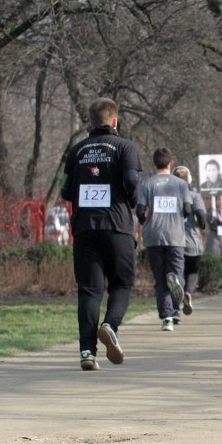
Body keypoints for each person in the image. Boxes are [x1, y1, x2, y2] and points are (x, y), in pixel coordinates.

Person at [60, 97, 142, 370]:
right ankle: (110, 325)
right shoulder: (125, 147)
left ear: (90, 122)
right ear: (114, 121)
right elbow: (131, 180)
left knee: (89, 291)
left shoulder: (76, 151)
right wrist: (132, 199)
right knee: (122, 284)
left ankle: (87, 352)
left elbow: (65, 190)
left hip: (84, 228)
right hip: (117, 226)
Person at [136, 147, 192, 331]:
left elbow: (140, 210)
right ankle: (177, 291)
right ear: (171, 163)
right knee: (177, 273)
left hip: (154, 235)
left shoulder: (146, 184)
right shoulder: (181, 185)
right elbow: (188, 210)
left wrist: (145, 220)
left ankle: (168, 316)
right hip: (175, 235)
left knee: (160, 279)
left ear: (154, 163)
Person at [173, 165, 207, 315]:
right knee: (193, 271)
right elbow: (200, 214)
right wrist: (202, 225)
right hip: (192, 240)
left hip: (173, 238)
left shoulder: (169, 196)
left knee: (176, 272)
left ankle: (174, 309)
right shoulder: (194, 195)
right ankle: (188, 292)